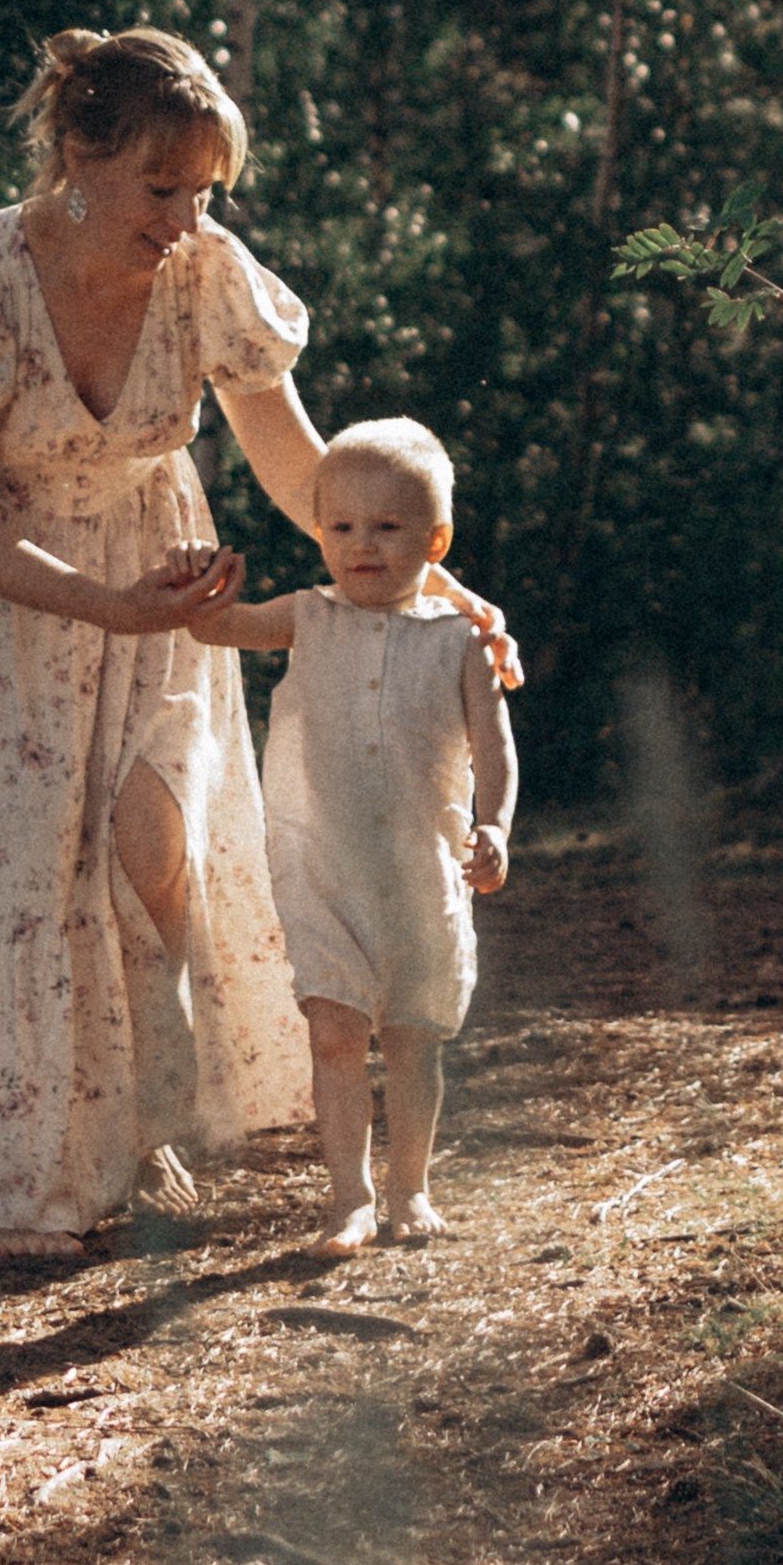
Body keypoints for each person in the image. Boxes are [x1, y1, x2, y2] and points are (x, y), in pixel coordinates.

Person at [0, 27, 513, 1260]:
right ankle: (18, 1179)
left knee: (151, 836)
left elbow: (301, 469)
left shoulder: (203, 272)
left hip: (160, 573)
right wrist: (108, 604)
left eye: (202, 191)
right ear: (75, 153)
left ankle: (147, 1119)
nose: (182, 219)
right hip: (0, 606)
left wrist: (435, 586)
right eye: (159, 187)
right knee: (23, 870)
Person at [188, 415, 519, 1252]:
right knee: (335, 1033)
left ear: (434, 540)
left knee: (410, 1039)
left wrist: (494, 825)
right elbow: (217, 629)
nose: (360, 544)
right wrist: (202, 586)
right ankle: (349, 1198)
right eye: (339, 526)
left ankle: (410, 1187)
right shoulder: (307, 614)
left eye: (386, 526)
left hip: (421, 875)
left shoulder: (460, 641)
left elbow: (495, 750)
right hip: (323, 871)